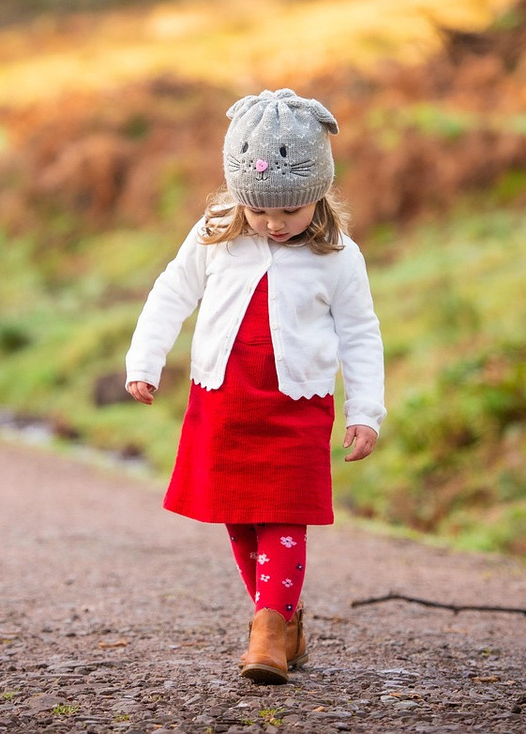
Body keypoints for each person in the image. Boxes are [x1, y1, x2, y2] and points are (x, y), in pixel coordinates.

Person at [125, 88, 386, 685]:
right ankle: (284, 619)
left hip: (297, 404)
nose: (273, 223)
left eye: (288, 212)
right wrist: (146, 361)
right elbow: (172, 293)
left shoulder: (338, 256)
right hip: (225, 396)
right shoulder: (217, 231)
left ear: (316, 196)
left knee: (284, 511)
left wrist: (366, 410)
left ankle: (267, 627)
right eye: (260, 210)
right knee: (240, 515)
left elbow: (361, 334)